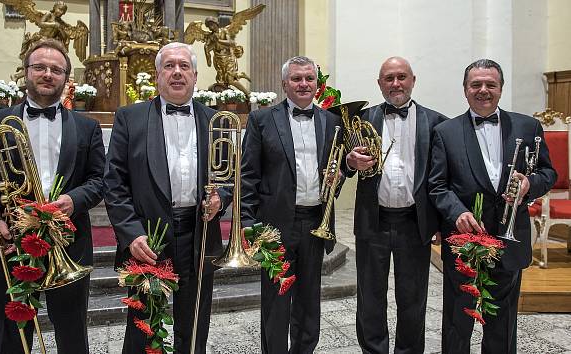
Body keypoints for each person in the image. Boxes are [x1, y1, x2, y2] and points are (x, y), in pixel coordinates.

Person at [0, 38, 105, 354]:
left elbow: (100, 180)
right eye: (40, 67)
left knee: (71, 332)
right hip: (11, 240)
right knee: (11, 334)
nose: (48, 74)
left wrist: (75, 200)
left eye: (56, 69)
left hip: (69, 243)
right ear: (25, 72)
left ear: (66, 78)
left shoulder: (87, 127)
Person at [103, 42, 230, 354]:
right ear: (157, 76)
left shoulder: (217, 121)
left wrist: (221, 199)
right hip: (148, 237)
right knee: (144, 324)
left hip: (198, 233)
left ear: (195, 76)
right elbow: (114, 182)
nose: (177, 72)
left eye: (184, 66)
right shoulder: (129, 118)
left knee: (195, 320)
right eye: (169, 66)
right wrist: (130, 234)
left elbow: (229, 178)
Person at [428, 59, 557, 353]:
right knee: (457, 320)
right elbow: (437, 185)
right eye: (476, 84)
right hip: (465, 240)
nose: (483, 90)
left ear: (501, 88)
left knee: (503, 320)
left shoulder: (528, 125)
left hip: (509, 238)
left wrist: (529, 184)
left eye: (490, 84)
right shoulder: (445, 132)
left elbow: (549, 173)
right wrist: (457, 212)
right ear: (465, 89)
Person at [241, 55, 343, 353]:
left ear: (316, 83)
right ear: (284, 83)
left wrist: (339, 174)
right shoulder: (262, 120)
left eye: (309, 78)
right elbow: (248, 175)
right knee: (276, 302)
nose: (303, 84)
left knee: (310, 302)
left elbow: (336, 170)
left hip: (316, 224)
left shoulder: (331, 120)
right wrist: (248, 225)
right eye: (296, 78)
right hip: (274, 226)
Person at [345, 56, 447, 354]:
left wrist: (440, 222)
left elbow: (442, 178)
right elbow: (343, 164)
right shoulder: (362, 119)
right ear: (379, 84)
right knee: (370, 296)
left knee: (413, 296)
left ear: (413, 80)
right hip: (372, 220)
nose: (395, 83)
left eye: (401, 77)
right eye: (388, 78)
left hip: (415, 222)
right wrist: (350, 161)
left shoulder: (437, 122)